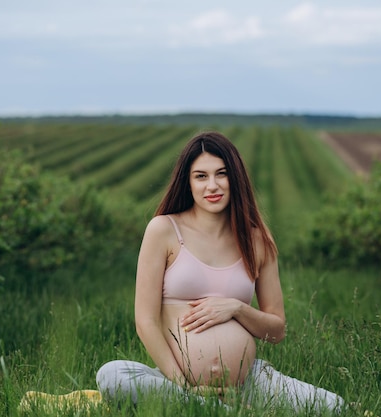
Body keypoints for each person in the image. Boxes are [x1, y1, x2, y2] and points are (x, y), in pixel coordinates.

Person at [96, 131, 344, 413]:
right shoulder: (164, 230)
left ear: (235, 178)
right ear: (187, 183)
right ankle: (213, 408)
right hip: (175, 381)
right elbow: (145, 322)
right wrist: (183, 386)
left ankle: (209, 410)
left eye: (221, 174)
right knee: (112, 376)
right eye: (201, 176)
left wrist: (237, 308)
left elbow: (276, 331)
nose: (212, 186)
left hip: (247, 383)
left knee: (334, 407)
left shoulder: (258, 241)